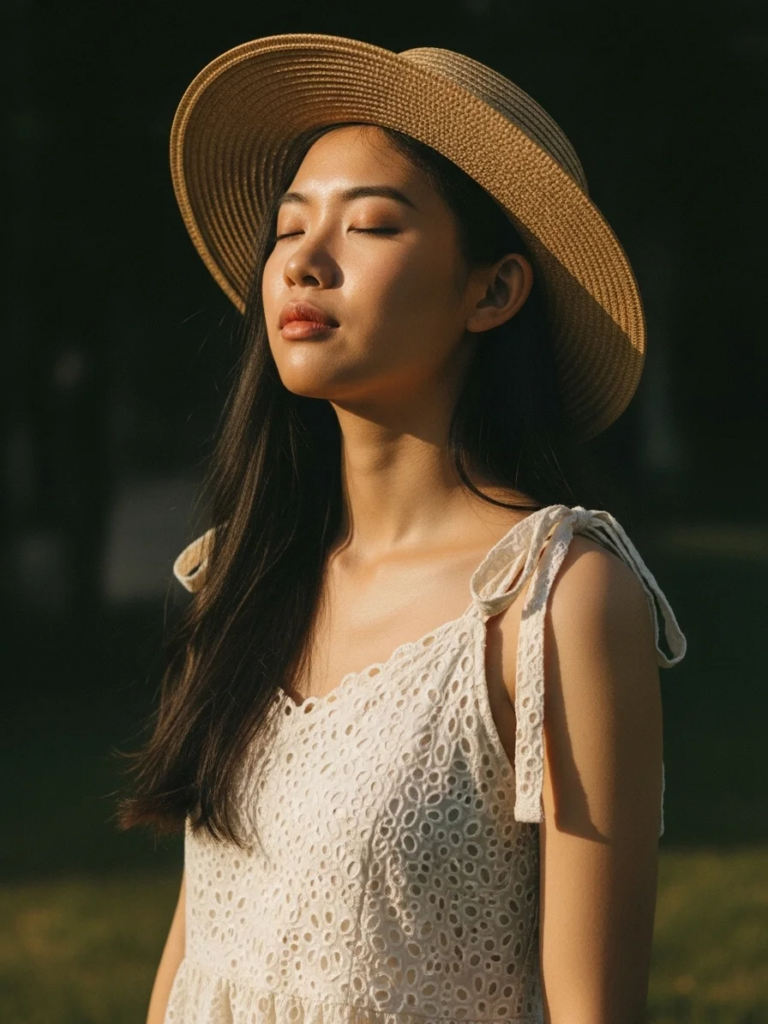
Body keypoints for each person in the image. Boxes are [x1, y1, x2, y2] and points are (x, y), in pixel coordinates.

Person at [117, 34, 687, 1024]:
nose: (304, 260)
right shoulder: (239, 577)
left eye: (372, 224)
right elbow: (195, 949)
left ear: (494, 290)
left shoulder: (554, 598)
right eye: (289, 228)